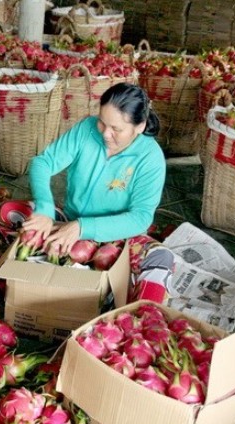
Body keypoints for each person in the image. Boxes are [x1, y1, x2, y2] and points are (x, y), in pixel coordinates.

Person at [22, 82, 173, 303]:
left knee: (161, 257)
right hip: (66, 223)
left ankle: (141, 313)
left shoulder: (150, 158)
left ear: (139, 127)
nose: (105, 133)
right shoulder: (86, 129)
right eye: (102, 122)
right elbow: (43, 163)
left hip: (115, 237)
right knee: (14, 212)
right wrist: (45, 208)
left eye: (117, 129)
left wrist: (83, 228)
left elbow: (141, 217)